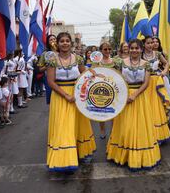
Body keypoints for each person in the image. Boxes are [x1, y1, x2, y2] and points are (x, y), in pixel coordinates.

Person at [107, 39, 161, 170]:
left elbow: (146, 83)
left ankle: (141, 156)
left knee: (141, 125)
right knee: (125, 125)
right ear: (128, 49)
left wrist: (135, 95)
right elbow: (117, 79)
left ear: (141, 49)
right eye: (132, 48)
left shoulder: (146, 64)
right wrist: (124, 95)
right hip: (124, 97)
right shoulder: (120, 62)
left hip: (140, 97)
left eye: (137, 48)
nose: (134, 50)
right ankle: (123, 154)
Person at [46, 32, 96, 172]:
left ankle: (84, 152)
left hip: (77, 96)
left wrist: (97, 73)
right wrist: (65, 95)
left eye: (67, 41)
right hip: (60, 96)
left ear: (71, 43)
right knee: (63, 126)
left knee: (80, 124)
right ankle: (64, 158)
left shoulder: (78, 58)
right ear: (58, 43)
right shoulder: (51, 59)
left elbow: (85, 73)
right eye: (62, 41)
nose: (65, 43)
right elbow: (51, 82)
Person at [142, 36, 170, 144]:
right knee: (146, 107)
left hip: (156, 83)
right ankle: (146, 133)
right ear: (144, 44)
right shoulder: (140, 55)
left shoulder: (158, 54)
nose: (150, 45)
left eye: (151, 43)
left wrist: (164, 71)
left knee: (156, 106)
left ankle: (158, 134)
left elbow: (167, 63)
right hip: (144, 83)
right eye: (148, 43)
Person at [91, 42, 115, 139]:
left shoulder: (115, 61)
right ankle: (102, 129)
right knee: (101, 111)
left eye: (109, 49)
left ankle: (113, 130)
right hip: (99, 89)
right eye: (105, 49)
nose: (107, 51)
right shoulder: (97, 63)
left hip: (113, 89)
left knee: (114, 110)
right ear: (101, 50)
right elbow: (92, 74)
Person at [38, 34, 57, 105]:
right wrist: (48, 65)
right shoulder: (45, 54)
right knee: (52, 99)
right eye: (51, 40)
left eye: (54, 39)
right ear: (48, 42)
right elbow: (40, 69)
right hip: (49, 79)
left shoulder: (61, 52)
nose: (53, 41)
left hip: (61, 78)